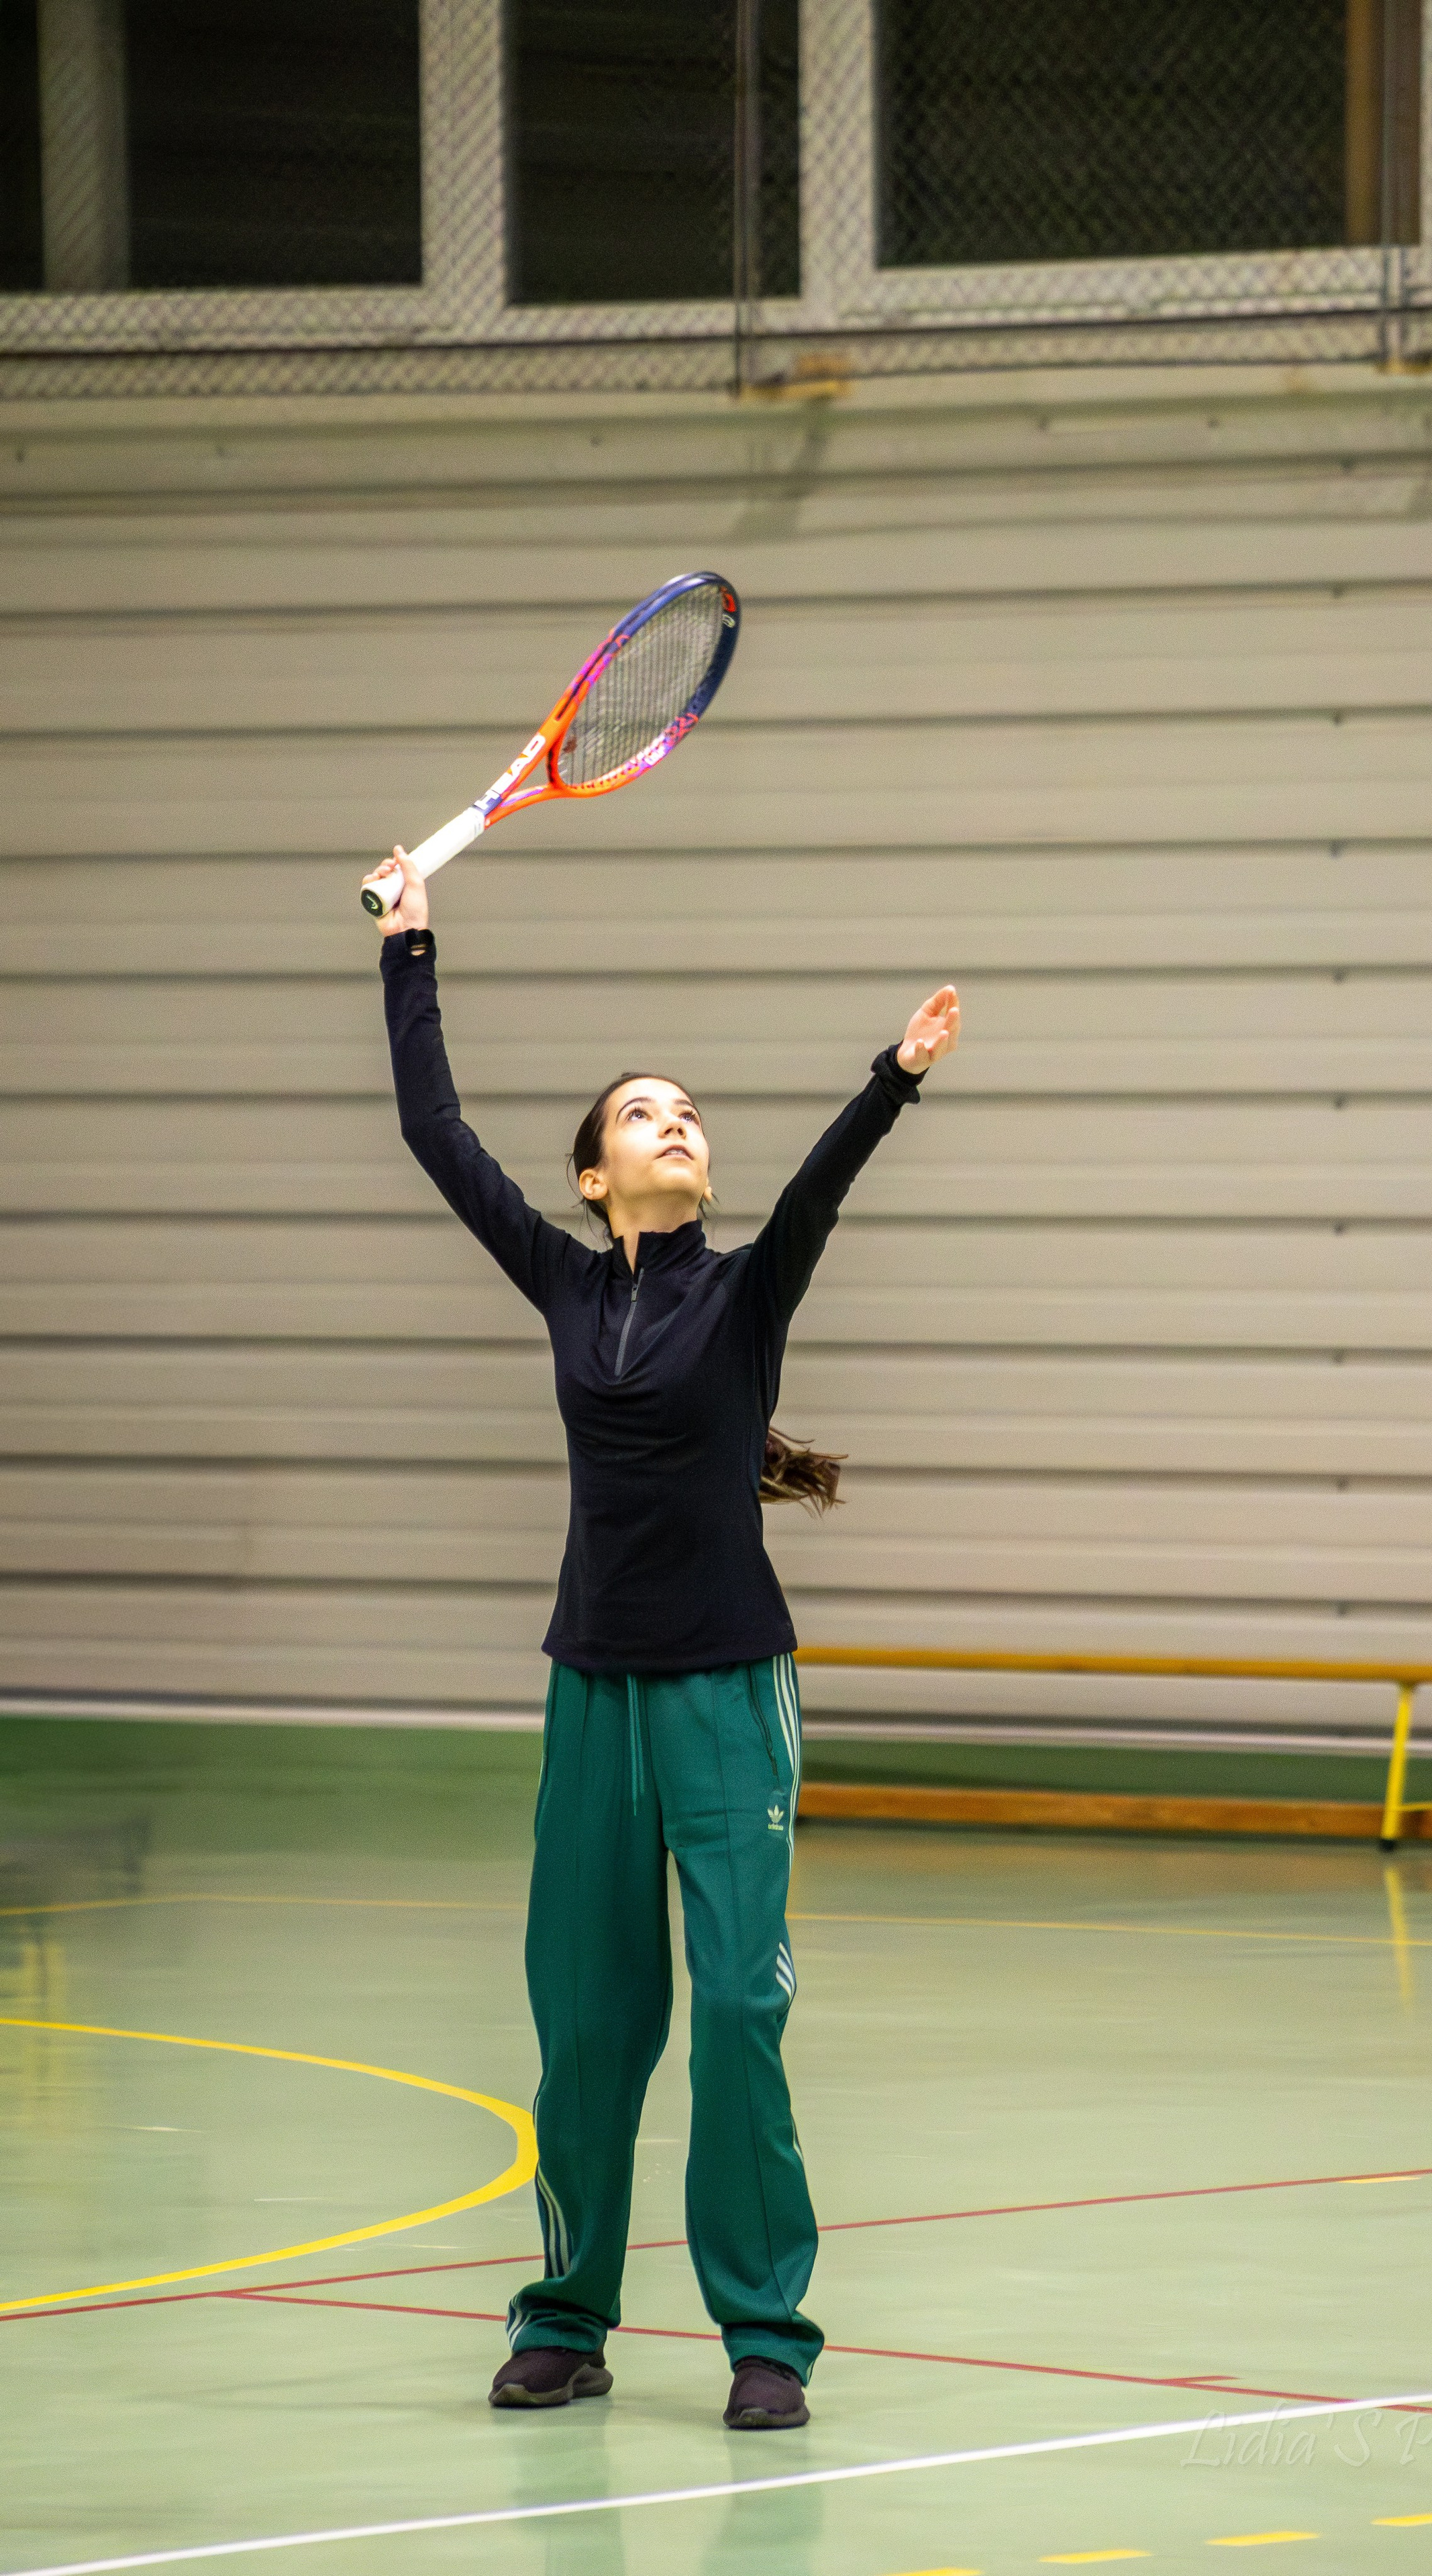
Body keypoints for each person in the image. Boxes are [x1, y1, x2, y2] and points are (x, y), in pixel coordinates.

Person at [366, 847, 960, 2431]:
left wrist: (889, 1080)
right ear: (593, 1178)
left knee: (742, 2016)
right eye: (642, 1112)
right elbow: (436, 1135)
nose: (676, 1121)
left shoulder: (746, 1294)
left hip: (726, 1695)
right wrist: (409, 949)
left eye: (688, 1109)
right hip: (593, 1700)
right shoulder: (565, 1286)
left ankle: (766, 2338)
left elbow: (822, 1188)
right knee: (587, 2028)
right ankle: (564, 2318)